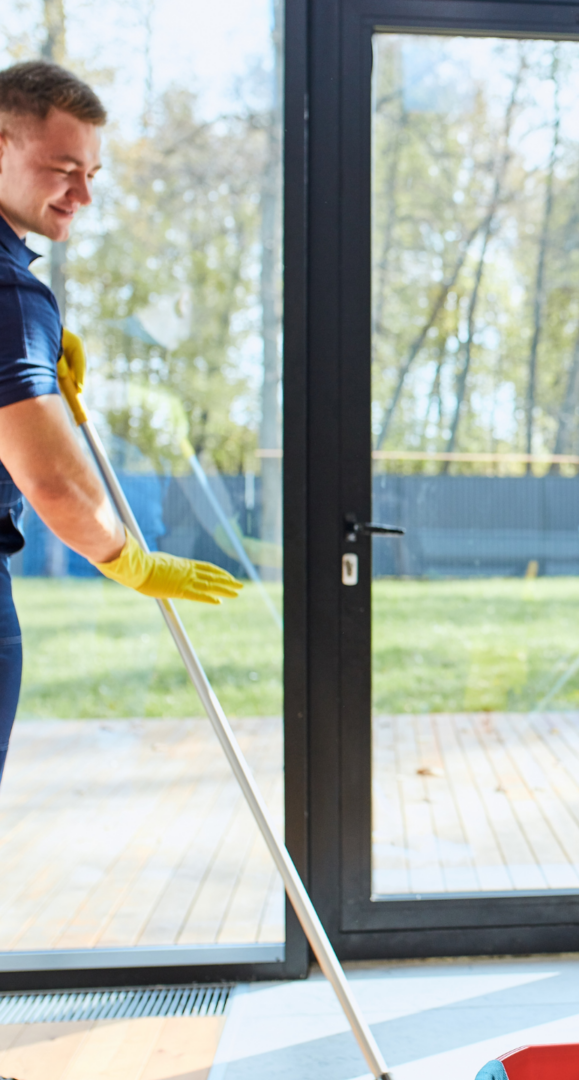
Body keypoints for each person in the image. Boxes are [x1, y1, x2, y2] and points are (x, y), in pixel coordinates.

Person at [0, 61, 241, 783]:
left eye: (93, 174)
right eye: (63, 167)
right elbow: (54, 482)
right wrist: (129, 559)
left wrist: (29, 372)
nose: (82, 195)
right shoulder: (11, 293)